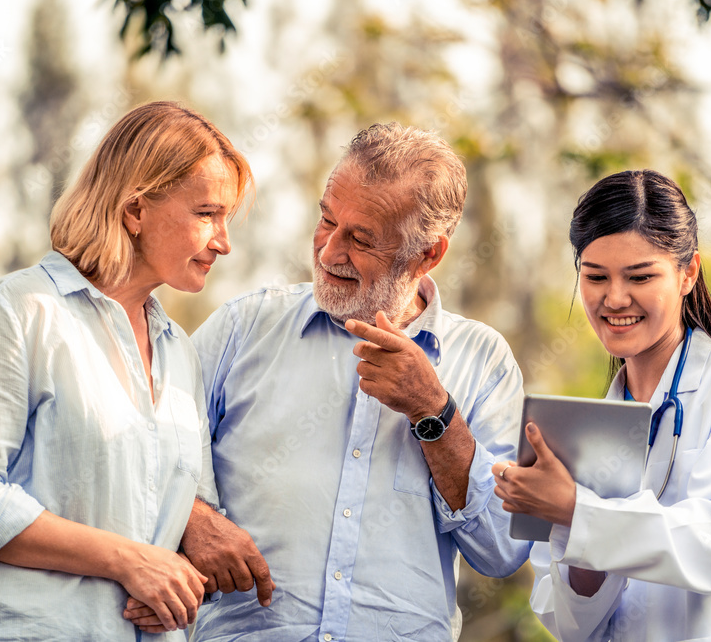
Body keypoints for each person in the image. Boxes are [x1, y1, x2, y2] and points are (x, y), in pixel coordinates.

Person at [125, 122, 532, 640]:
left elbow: (501, 550)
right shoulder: (243, 327)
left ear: (429, 253)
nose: (328, 252)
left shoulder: (484, 360)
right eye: (326, 220)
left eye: (361, 239)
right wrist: (194, 516)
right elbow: (143, 447)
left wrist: (434, 412)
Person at [0, 101, 259, 641]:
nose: (223, 241)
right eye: (206, 214)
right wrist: (128, 562)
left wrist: (182, 584)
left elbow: (178, 528)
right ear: (135, 211)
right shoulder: (22, 310)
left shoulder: (179, 355)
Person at [492, 169, 711, 641]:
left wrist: (577, 510)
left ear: (688, 273)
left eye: (640, 276)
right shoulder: (576, 430)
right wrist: (574, 534)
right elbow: (568, 624)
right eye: (596, 276)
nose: (615, 298)